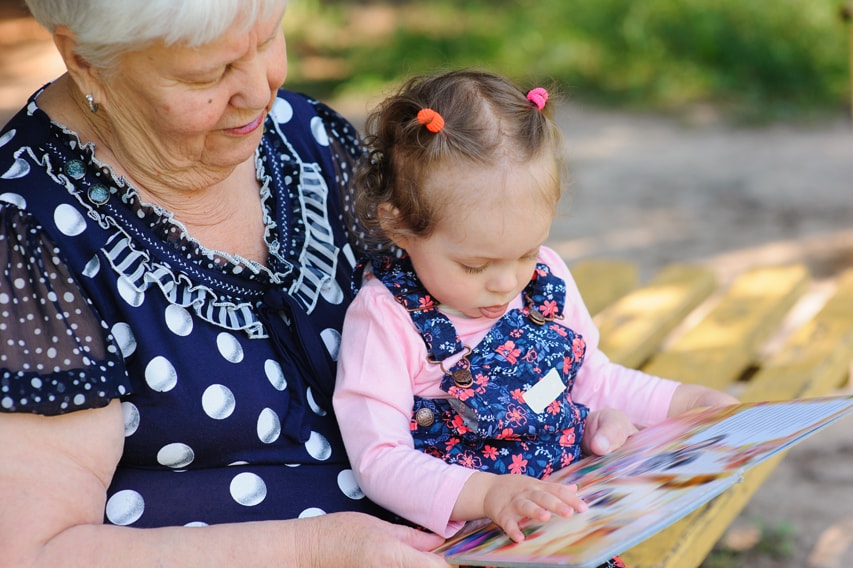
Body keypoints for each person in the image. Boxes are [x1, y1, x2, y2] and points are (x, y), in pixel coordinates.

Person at [0, 3, 649, 566]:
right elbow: (32, 553)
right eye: (209, 73)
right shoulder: (25, 238)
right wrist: (310, 552)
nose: (258, 90)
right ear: (83, 60)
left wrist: (580, 414)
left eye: (265, 38)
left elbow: (468, 327)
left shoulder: (303, 136)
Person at [332, 69, 738, 552]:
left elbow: (594, 379)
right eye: (474, 265)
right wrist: (487, 495)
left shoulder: (547, 279)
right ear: (399, 226)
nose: (507, 283)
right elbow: (379, 458)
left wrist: (686, 403)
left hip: (565, 529)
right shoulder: (386, 318)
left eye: (527, 252)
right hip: (468, 542)